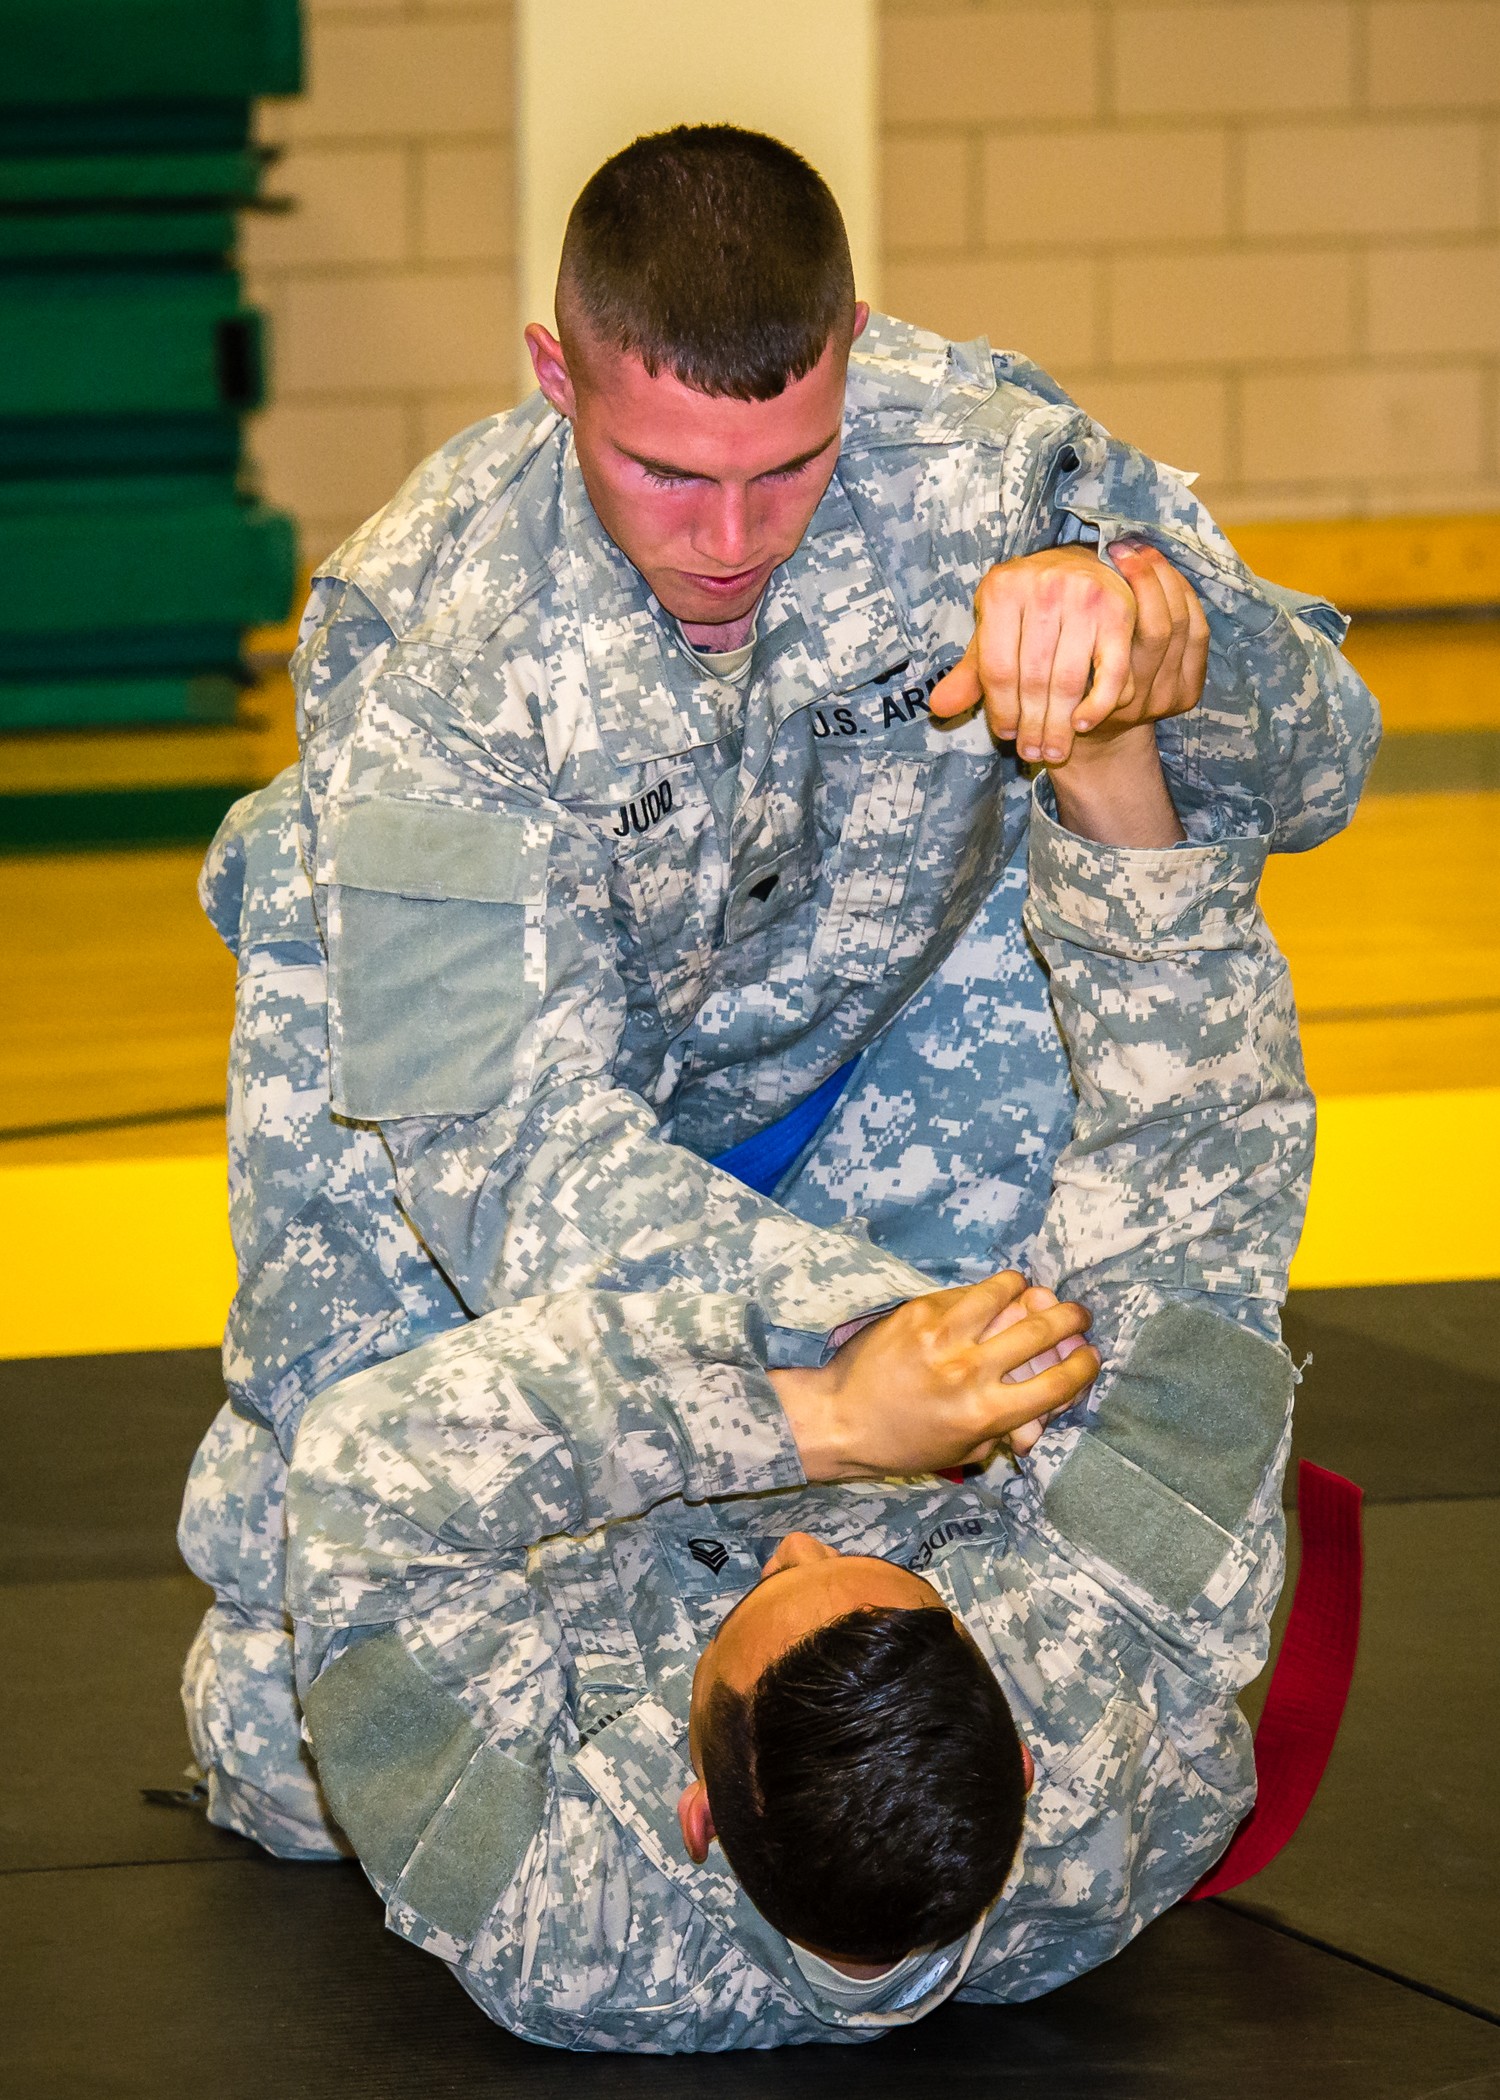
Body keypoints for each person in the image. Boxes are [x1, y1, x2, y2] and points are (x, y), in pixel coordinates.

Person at [177, 122, 1372, 1858]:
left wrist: (1181, 644)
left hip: (874, 1055)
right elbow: (503, 1157)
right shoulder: (434, 648)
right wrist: (860, 1366)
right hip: (486, 1139)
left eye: (789, 466)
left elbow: (1326, 765)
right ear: (551, 378)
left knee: (904, 1688)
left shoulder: (992, 470)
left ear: (859, 350)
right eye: (666, 471)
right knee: (299, 1765)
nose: (731, 536)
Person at [267, 713, 1312, 2050]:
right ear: (1026, 1758)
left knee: (267, 1722)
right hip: (828, 1338)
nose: (799, 1534)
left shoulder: (550, 1909)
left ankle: (325, 873)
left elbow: (368, 1471)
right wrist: (1112, 771)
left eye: (774, 1584)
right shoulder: (1134, 1756)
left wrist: (824, 1417)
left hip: (545, 1483)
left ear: (687, 1811)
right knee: (1030, 1289)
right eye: (903, 1599)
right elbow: (1198, 1194)